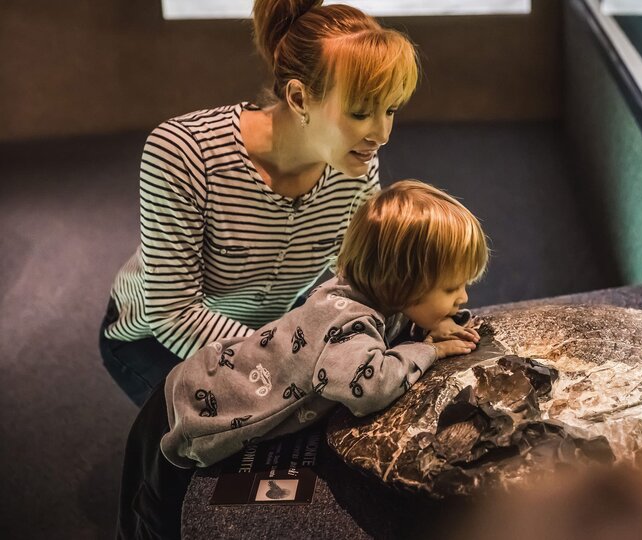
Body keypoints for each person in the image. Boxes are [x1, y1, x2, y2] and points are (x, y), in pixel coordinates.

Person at [117, 180, 489, 539]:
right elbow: (367, 387)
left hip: (207, 382)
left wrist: (428, 328)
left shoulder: (372, 293)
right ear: (400, 281)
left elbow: (389, 333)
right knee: (156, 520)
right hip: (184, 411)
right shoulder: (345, 321)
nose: (464, 297)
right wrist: (431, 349)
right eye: (450, 287)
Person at [99, 0, 421, 406]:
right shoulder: (184, 151)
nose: (382, 134)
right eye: (360, 112)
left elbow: (354, 278)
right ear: (300, 98)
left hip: (264, 330)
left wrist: (424, 306)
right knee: (221, 449)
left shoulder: (352, 165)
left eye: (390, 109)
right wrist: (292, 361)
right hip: (151, 338)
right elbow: (172, 314)